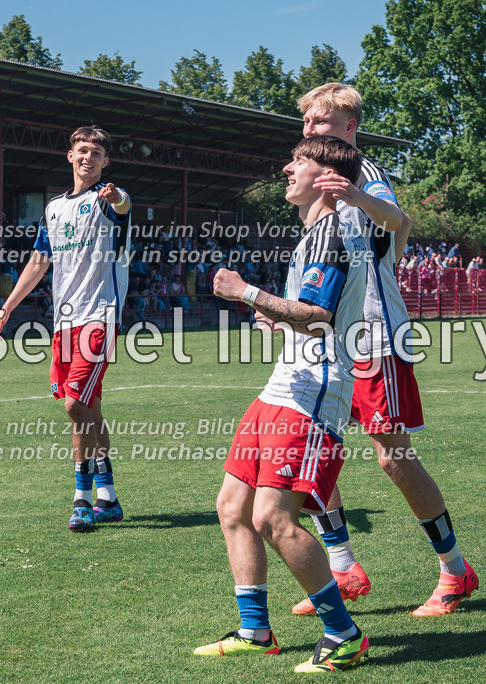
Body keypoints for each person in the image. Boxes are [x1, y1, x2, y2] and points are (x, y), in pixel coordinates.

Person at [291, 83, 478, 618]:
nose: (310, 130)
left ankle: (454, 571)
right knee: (312, 450)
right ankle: (344, 566)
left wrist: (359, 199)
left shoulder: (363, 174)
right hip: (328, 338)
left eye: (321, 123)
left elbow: (398, 222)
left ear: (349, 127)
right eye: (307, 122)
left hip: (374, 333)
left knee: (392, 455)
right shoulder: (310, 179)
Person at [194, 136, 370, 673]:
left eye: (299, 161)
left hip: (315, 392)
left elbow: (317, 315)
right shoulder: (312, 235)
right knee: (232, 506)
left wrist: (247, 292)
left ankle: (343, 634)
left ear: (325, 176)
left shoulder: (333, 232)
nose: (287, 168)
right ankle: (255, 631)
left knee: (274, 518)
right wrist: (275, 316)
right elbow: (310, 314)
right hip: (285, 384)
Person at [0, 126, 131, 533]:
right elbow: (38, 263)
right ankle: (109, 497)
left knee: (74, 406)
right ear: (70, 156)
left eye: (97, 153)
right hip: (63, 324)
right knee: (90, 408)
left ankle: (81, 499)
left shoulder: (106, 199)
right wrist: (7, 308)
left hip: (99, 317)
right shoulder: (53, 209)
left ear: (106, 162)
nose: (89, 157)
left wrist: (116, 196)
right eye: (82, 150)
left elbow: (122, 206)